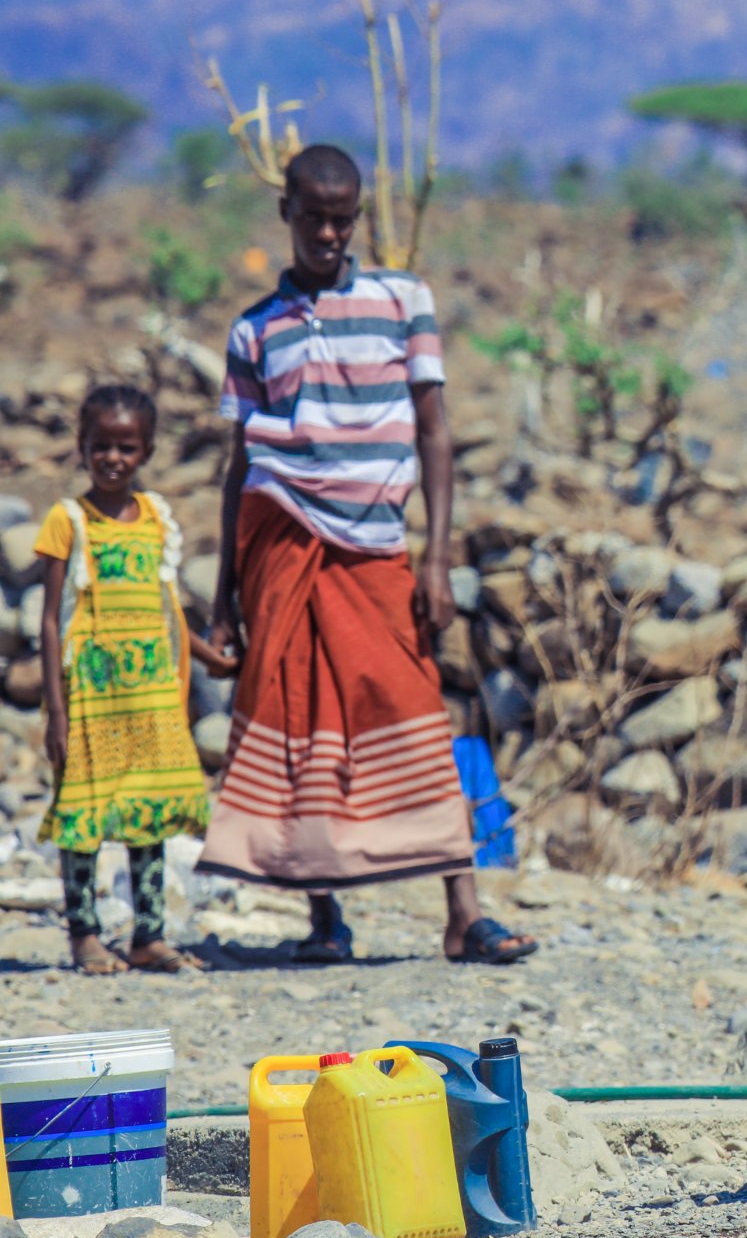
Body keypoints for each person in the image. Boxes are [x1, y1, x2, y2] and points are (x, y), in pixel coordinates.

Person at [195, 143, 536, 965]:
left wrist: (435, 555)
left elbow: (433, 431)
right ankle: (324, 919)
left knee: (415, 707)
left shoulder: (401, 299)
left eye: (342, 219)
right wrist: (223, 594)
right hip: (282, 538)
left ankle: (463, 911)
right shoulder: (254, 328)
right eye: (312, 217)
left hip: (378, 545)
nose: (326, 233)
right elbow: (240, 463)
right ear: (286, 213)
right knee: (299, 713)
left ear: (358, 219)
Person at [36, 384, 238, 974]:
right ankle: (84, 935)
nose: (113, 458)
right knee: (83, 815)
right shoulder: (67, 519)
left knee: (148, 814)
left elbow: (167, 609)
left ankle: (149, 935)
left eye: (126, 447)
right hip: (91, 696)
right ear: (82, 447)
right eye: (101, 445)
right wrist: (56, 710)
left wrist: (207, 658)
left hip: (151, 698)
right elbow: (50, 621)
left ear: (146, 451)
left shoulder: (156, 520)